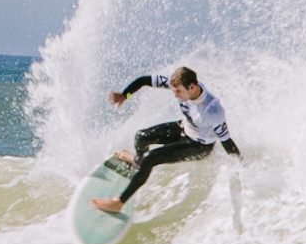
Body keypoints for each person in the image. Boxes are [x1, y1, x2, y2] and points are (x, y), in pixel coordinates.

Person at [91, 65, 241, 214]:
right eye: (174, 91)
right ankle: (139, 165)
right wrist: (125, 96)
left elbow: (227, 142)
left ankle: (118, 203)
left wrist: (241, 167)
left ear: (192, 87)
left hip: (199, 146)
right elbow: (144, 81)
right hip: (184, 128)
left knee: (150, 158)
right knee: (141, 137)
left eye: (178, 92)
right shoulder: (178, 84)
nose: (175, 95)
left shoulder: (213, 110)